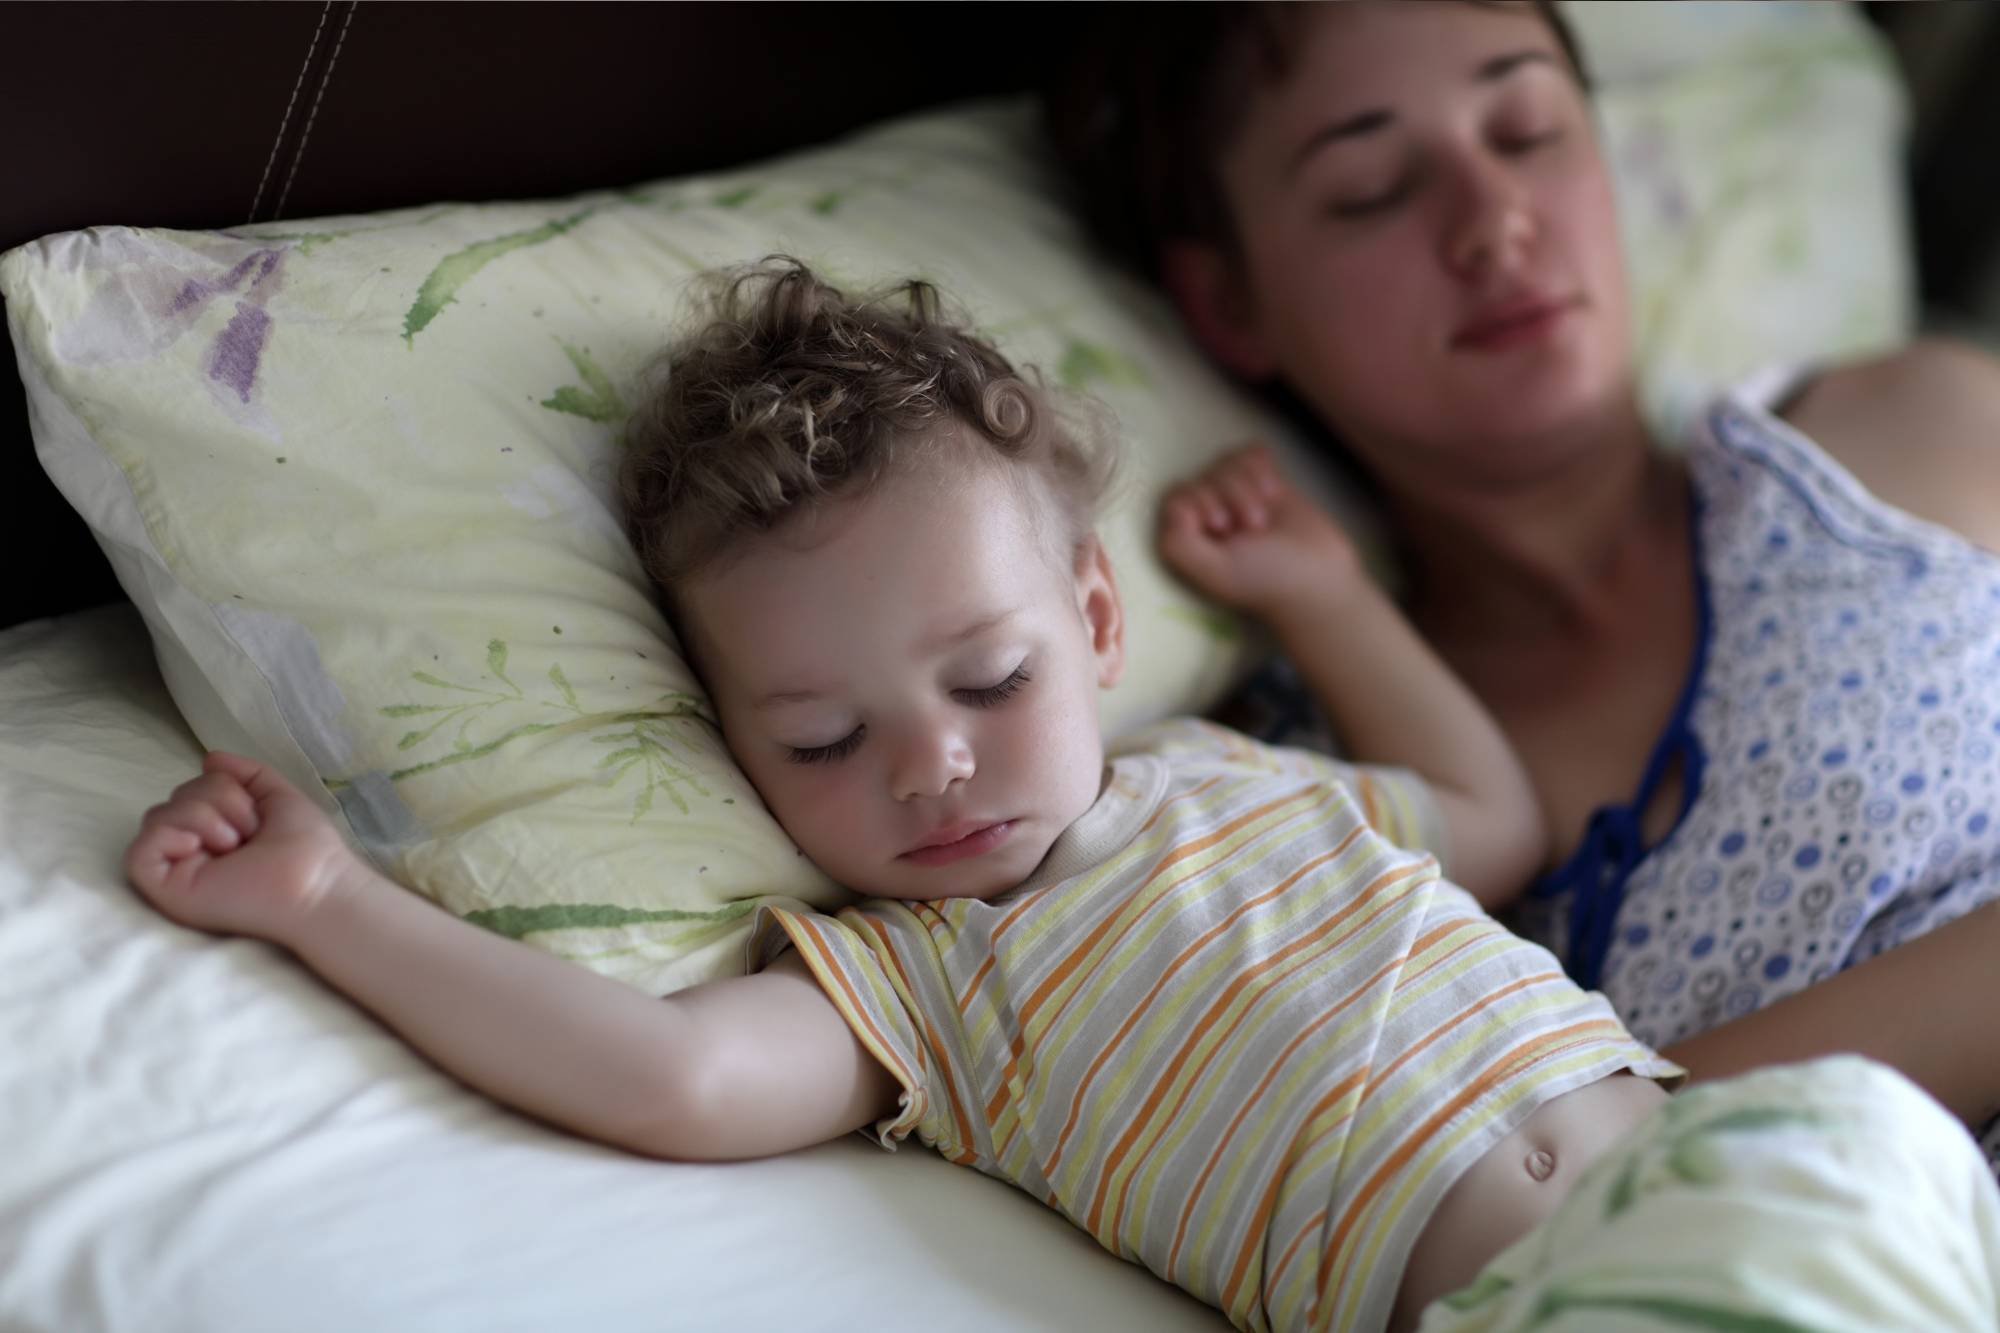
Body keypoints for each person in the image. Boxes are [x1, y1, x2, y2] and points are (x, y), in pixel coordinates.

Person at [126, 260, 2000, 1333]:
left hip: (1755, 1158)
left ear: (1097, 621)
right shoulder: (924, 986)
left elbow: (1487, 816)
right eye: (821, 740)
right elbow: (673, 1077)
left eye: (991, 677)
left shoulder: (1235, 775)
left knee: (1890, 1146)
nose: (930, 763)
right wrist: (325, 903)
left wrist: (1326, 599)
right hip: (1520, 1299)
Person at [1046, 0, 2000, 1166]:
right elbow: (1539, 1183)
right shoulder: (1344, 800)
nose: (1492, 220)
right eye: (1372, 190)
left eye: (1526, 127)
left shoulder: (1924, 430)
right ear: (1228, 303)